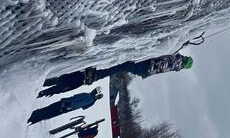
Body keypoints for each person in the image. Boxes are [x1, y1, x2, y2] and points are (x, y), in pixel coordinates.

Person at [39, 54, 193, 97]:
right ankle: (99, 73)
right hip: (145, 70)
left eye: (186, 58)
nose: (184, 57)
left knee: (122, 64)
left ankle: (98, 74)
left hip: (146, 66)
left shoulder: (176, 60)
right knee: (122, 66)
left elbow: (162, 58)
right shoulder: (176, 65)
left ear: (185, 61)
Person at [28, 88, 103, 125]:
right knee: (50, 114)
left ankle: (31, 116)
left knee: (48, 109)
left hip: (66, 103)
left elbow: (75, 98)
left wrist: (65, 100)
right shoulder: (92, 103)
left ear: (94, 91)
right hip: (68, 109)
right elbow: (84, 108)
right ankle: (34, 120)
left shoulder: (87, 95)